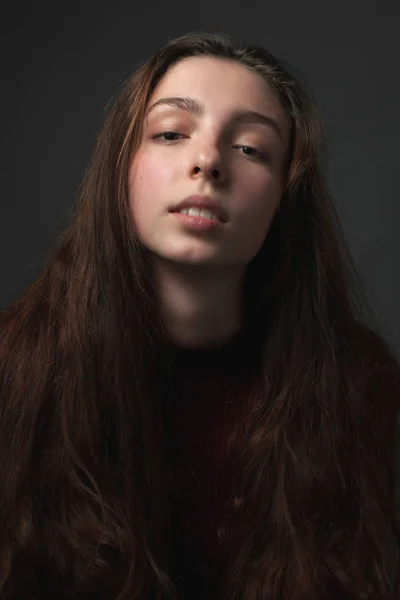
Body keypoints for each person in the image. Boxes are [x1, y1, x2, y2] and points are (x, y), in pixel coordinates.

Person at [0, 31, 399, 600]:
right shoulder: (14, 373)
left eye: (251, 149)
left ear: (285, 197)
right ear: (122, 168)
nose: (208, 161)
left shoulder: (359, 389)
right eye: (170, 134)